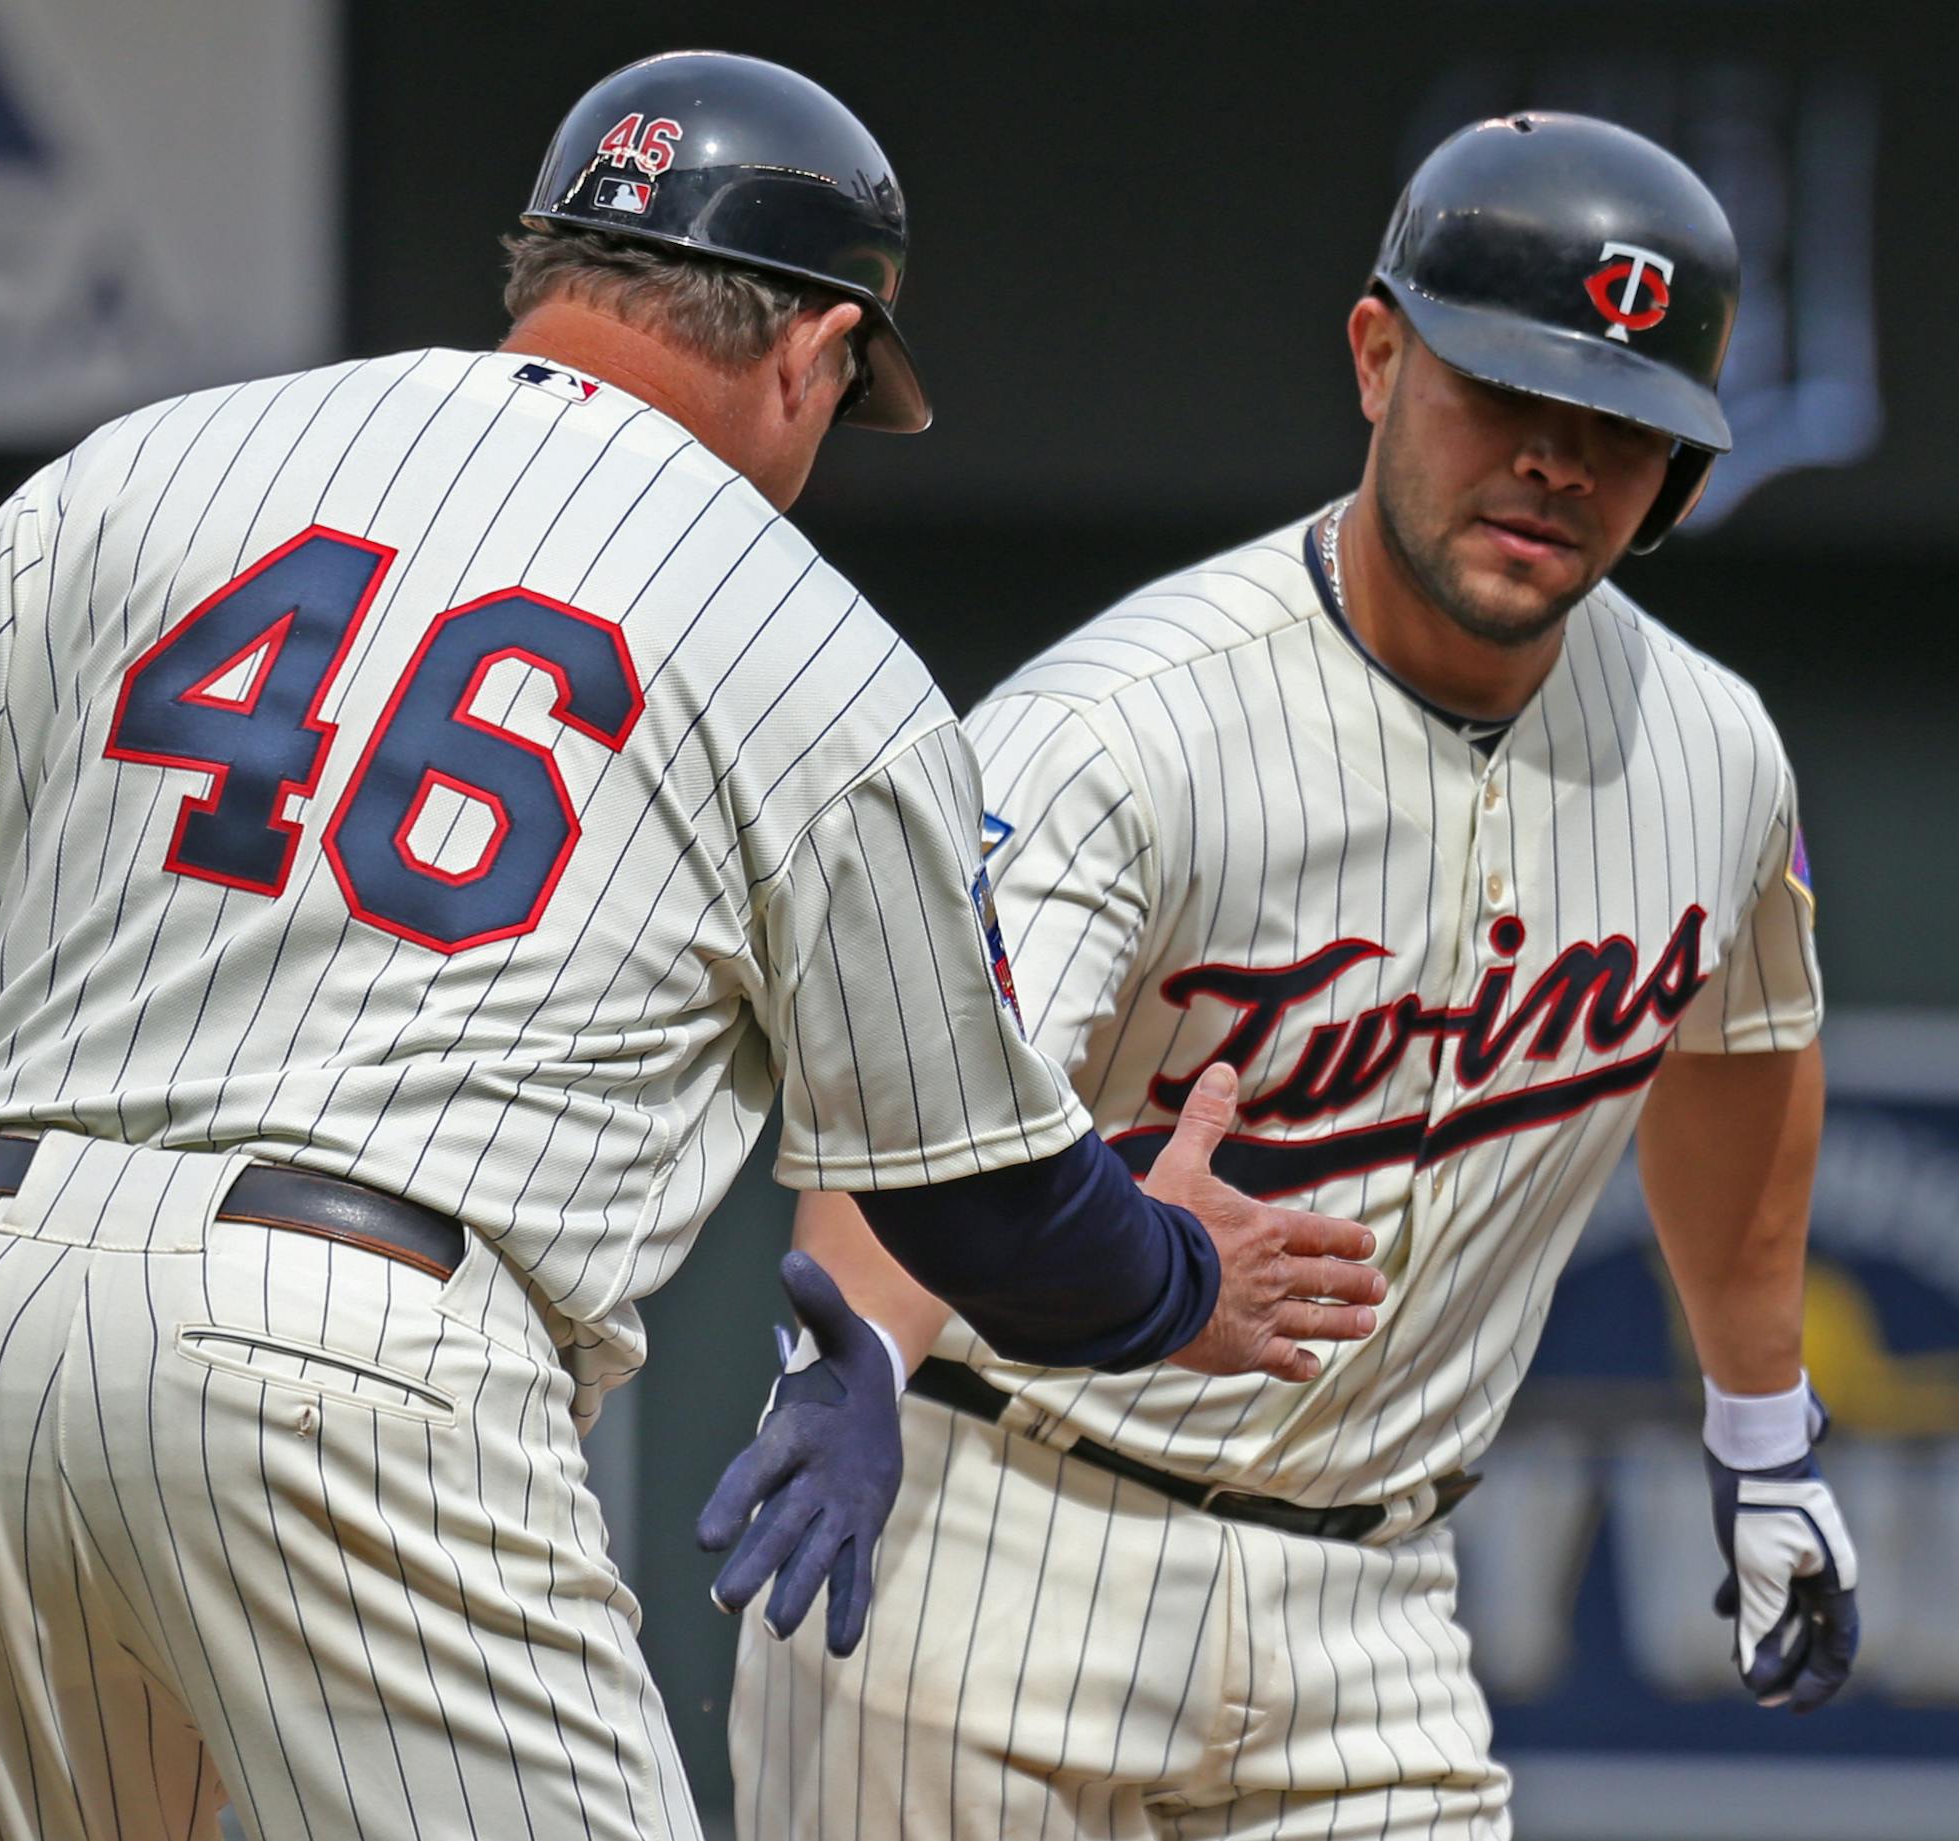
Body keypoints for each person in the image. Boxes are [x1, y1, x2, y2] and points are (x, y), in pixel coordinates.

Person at [0, 51, 1385, 1841]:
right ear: (814, 352)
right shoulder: (805, 644)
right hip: (360, 1350)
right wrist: (1173, 1277)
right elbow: (978, 1198)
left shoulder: (153, 464)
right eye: (841, 395)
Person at [728, 112, 1860, 1840]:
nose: (1556, 463)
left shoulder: (1713, 750)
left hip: (1378, 1604)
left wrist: (1763, 1426)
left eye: (1618, 428)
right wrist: (860, 1365)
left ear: (1685, 469)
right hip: (996, 1549)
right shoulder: (1131, 724)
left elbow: (1737, 1049)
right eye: (1506, 397)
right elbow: (918, 1089)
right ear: (1379, 355)